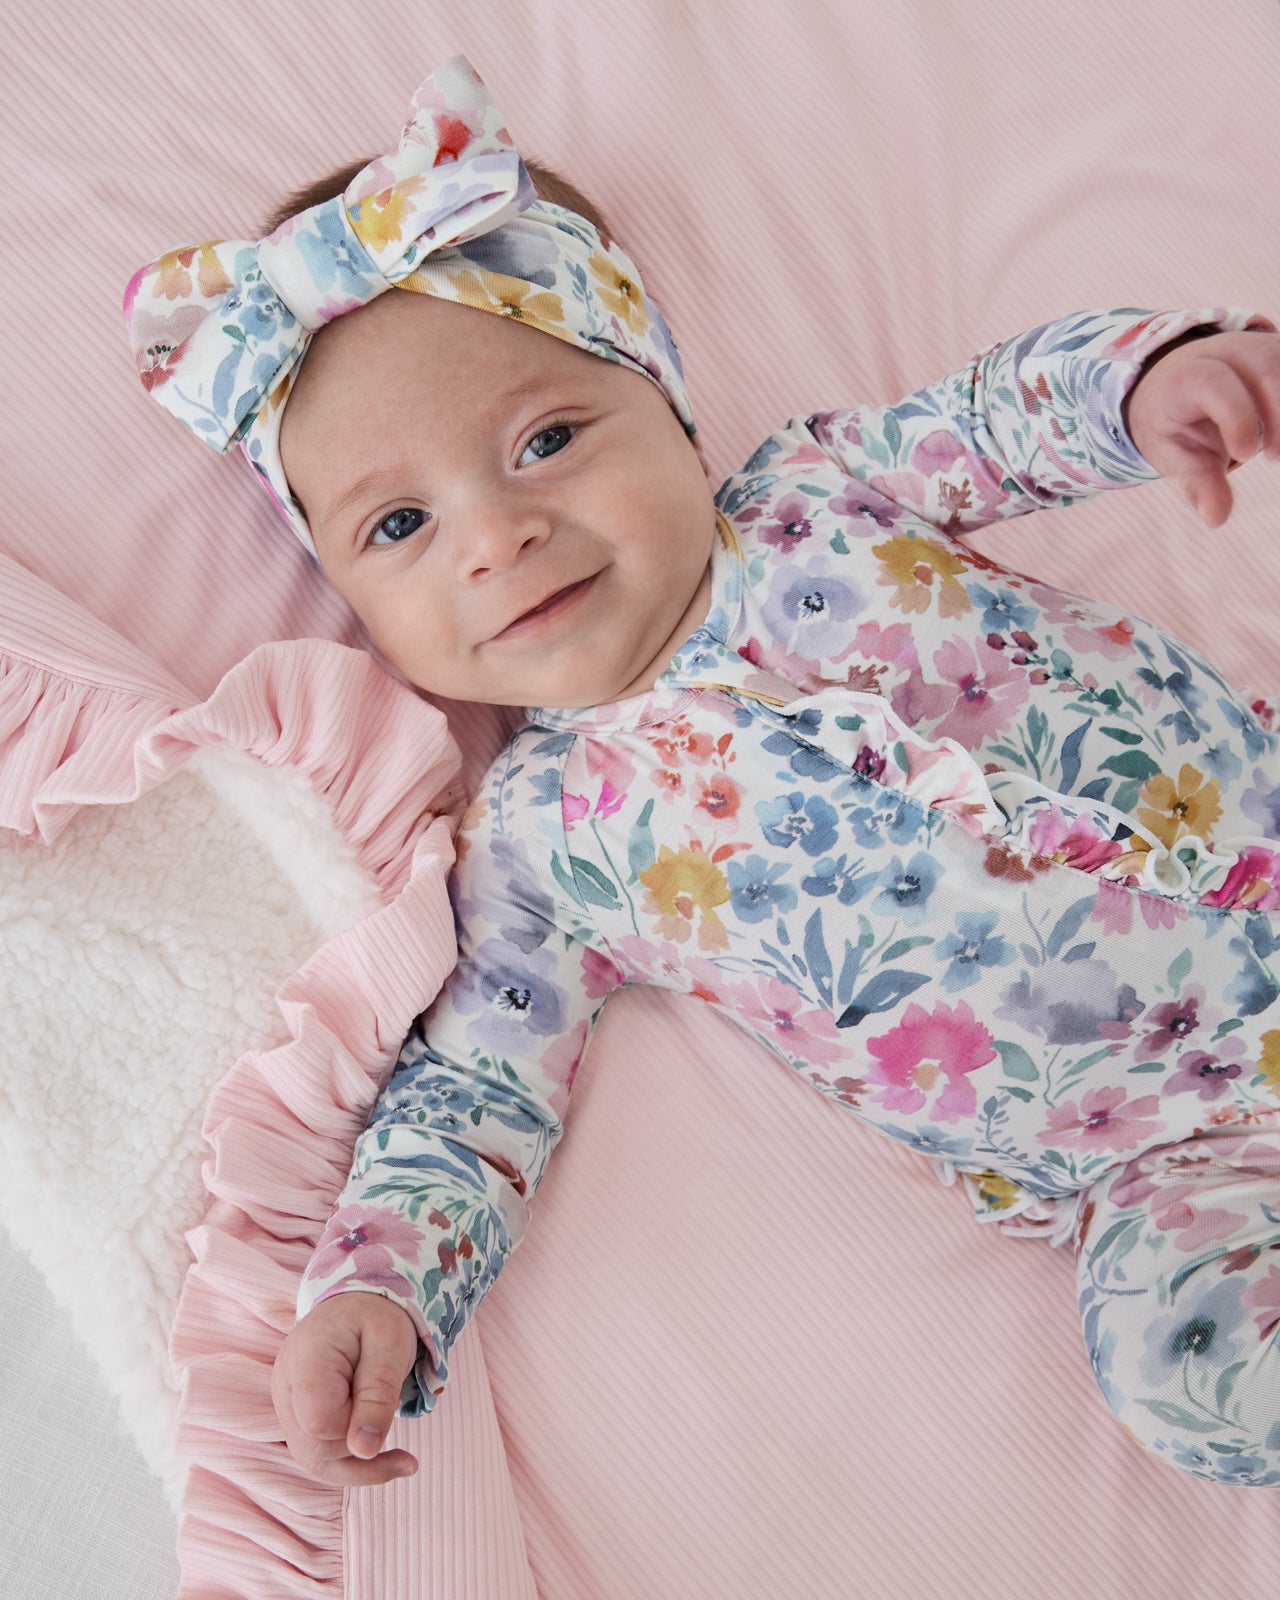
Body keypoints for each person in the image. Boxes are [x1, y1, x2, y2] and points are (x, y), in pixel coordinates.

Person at [125, 55, 1280, 1493]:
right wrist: (381, 1286)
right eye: (403, 526)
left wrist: (1149, 381)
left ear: (669, 411)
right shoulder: (544, 844)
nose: (496, 537)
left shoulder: (819, 497)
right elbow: (479, 1089)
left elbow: (996, 421)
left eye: (547, 441)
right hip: (1155, 1165)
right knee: (1194, 1378)